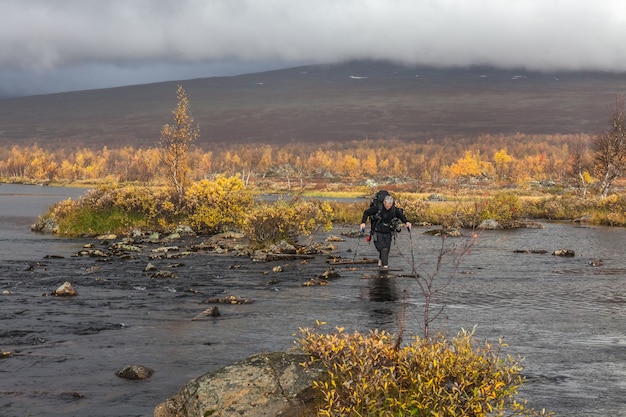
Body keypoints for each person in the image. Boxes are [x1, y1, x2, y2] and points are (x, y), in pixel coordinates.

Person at [360, 194, 411, 268]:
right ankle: (385, 268)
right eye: (387, 206)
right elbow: (366, 212)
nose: (388, 207)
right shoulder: (378, 208)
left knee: (386, 251)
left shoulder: (394, 209)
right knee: (384, 249)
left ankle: (380, 265)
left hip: (388, 233)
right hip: (377, 232)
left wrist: (407, 222)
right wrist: (363, 222)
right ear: (384, 203)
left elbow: (401, 216)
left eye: (390, 206)